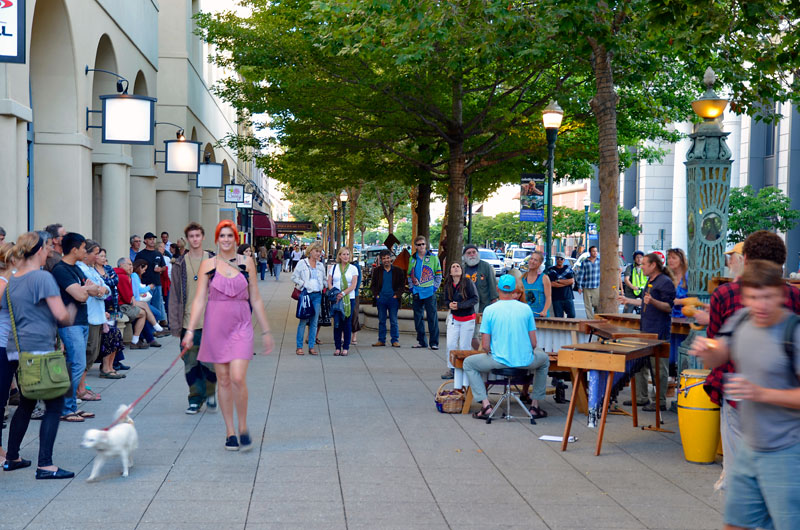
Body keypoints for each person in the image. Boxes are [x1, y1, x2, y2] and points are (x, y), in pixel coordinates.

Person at [690, 260, 800, 530]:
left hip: (788, 450)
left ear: (781, 294)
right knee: (735, 524)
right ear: (744, 296)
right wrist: (708, 351)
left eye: (768, 297)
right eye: (753, 297)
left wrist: (760, 393)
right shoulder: (740, 320)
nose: (760, 305)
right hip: (750, 448)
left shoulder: (793, 332)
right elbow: (719, 355)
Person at [182, 220, 273, 451]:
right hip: (215, 326)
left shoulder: (247, 263)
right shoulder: (208, 265)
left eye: (229, 236)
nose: (226, 240)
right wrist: (191, 330)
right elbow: (200, 299)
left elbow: (256, 298)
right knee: (222, 379)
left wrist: (266, 330)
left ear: (236, 238)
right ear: (216, 239)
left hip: (241, 324)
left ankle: (243, 427)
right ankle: (230, 431)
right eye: (222, 236)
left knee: (238, 378)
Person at [0, 233, 77, 479]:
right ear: (39, 250)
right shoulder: (43, 277)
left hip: (20, 351)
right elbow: (61, 316)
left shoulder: (14, 280)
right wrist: (72, 310)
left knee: (26, 402)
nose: (50, 252)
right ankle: (46, 465)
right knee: (55, 405)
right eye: (47, 248)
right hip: (43, 350)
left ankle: (12, 457)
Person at [463, 274, 550, 420]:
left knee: (468, 363)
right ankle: (535, 405)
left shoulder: (490, 310)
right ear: (514, 290)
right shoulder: (526, 309)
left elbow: (485, 345)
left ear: (498, 289)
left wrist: (493, 350)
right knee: (545, 360)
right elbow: (534, 343)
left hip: (499, 360)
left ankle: (485, 405)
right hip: (525, 361)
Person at [51, 233, 102, 423]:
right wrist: (88, 289)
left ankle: (71, 406)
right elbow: (82, 295)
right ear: (74, 249)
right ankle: (65, 408)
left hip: (81, 321)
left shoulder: (77, 269)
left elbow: (98, 290)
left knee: (77, 364)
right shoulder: (61, 270)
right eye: (82, 248)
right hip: (70, 323)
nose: (85, 251)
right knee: (76, 364)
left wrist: (87, 289)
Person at [169, 222, 218, 414]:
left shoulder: (215, 261)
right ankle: (195, 399)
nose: (195, 239)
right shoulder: (179, 264)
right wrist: (174, 323)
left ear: (203, 237)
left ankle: (210, 391)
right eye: (191, 236)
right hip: (188, 321)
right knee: (190, 363)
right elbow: (173, 295)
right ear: (187, 239)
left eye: (198, 235)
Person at [617, 252, 676, 411]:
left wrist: (654, 301)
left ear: (653, 265)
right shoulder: (650, 281)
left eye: (644, 264)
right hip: (645, 329)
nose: (641, 267)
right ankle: (641, 397)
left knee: (658, 367)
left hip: (659, 331)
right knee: (639, 364)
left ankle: (659, 401)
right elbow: (644, 301)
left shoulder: (665, 282)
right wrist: (628, 300)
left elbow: (669, 307)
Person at [75, 240, 111, 397]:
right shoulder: (80, 269)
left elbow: (105, 287)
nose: (97, 256)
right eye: (95, 253)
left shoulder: (92, 270)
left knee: (93, 352)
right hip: (88, 315)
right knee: (87, 352)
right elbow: (94, 290)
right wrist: (99, 290)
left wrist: (101, 290)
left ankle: (82, 384)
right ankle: (79, 388)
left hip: (97, 316)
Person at [443, 262, 479, 390]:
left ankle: (464, 367)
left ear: (462, 270)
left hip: (467, 318)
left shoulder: (468, 283)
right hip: (454, 318)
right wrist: (449, 305)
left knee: (464, 345)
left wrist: (460, 305)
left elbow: (475, 299)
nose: (456, 268)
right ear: (450, 272)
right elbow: (445, 300)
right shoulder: (448, 285)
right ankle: (452, 368)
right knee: (451, 344)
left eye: (458, 266)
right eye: (453, 267)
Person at [291, 242, 326, 355]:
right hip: (306, 294)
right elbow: (294, 277)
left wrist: (324, 286)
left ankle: (311, 346)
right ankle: (299, 347)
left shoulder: (320, 265)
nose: (318, 254)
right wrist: (304, 284)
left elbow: (324, 279)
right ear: (310, 251)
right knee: (303, 320)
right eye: (316, 251)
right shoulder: (302, 263)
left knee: (314, 322)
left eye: (320, 252)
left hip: (317, 295)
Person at [407, 235, 442, 350]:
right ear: (415, 246)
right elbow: (409, 275)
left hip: (429, 291)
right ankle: (421, 341)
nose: (421, 246)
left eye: (423, 244)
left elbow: (438, 274)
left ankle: (434, 342)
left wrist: (434, 288)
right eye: (419, 244)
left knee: (432, 317)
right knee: (418, 318)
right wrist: (412, 288)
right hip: (417, 291)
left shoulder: (433, 258)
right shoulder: (412, 259)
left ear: (426, 245)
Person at [462, 244, 498, 350]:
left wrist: (494, 302)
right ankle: (482, 354)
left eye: (474, 252)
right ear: (464, 256)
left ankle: (488, 354)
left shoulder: (485, 266)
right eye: (469, 253)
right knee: (472, 335)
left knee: (485, 333)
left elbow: (492, 284)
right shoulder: (463, 268)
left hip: (484, 306)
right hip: (468, 307)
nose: (472, 255)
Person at [371, 250, 405, 348]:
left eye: (388, 258)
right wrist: (377, 295)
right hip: (381, 299)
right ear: (381, 260)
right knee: (382, 320)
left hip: (393, 299)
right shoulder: (377, 271)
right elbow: (373, 285)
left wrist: (396, 295)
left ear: (391, 258)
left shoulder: (398, 271)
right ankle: (381, 340)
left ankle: (395, 340)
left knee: (393, 320)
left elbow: (402, 286)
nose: (386, 260)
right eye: (384, 258)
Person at [328, 246, 359, 356]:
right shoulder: (334, 268)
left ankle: (345, 347)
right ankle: (337, 347)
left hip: (348, 299)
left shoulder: (353, 268)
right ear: (339, 256)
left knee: (347, 323)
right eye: (344, 254)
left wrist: (343, 293)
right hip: (336, 299)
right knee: (337, 323)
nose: (346, 256)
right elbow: (329, 282)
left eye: (348, 254)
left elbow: (354, 285)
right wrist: (335, 293)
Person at [135, 232, 167, 328]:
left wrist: (160, 269)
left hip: (157, 283)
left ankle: (155, 327)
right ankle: (148, 328)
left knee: (157, 306)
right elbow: (135, 268)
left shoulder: (158, 253)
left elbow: (164, 266)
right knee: (147, 307)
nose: (152, 240)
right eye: (150, 239)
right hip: (145, 284)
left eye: (153, 239)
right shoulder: (141, 254)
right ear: (145, 241)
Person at [522, 251, 552, 318]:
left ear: (540, 263)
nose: (532, 261)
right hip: (526, 316)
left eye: (535, 260)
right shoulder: (522, 278)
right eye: (531, 259)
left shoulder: (544, 278)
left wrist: (544, 311)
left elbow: (548, 297)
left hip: (540, 317)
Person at [546, 252, 576, 318]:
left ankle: (569, 328)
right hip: (556, 298)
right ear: (555, 260)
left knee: (572, 315)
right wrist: (566, 283)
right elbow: (552, 284)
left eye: (561, 259)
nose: (559, 260)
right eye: (558, 258)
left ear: (564, 260)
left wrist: (558, 280)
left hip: (568, 296)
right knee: (559, 317)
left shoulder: (568, 269)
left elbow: (571, 281)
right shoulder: (551, 270)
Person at [576, 246, 600, 319]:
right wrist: (579, 286)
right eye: (593, 251)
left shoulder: (600, 261)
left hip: (596, 286)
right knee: (587, 305)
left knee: (596, 304)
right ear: (590, 252)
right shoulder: (585, 262)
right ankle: (590, 320)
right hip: (586, 286)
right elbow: (581, 274)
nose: (595, 253)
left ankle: (596, 318)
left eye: (596, 251)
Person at [350, 258, 362, 345]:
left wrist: (354, 290)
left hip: (354, 293)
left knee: (354, 314)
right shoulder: (339, 266)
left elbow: (359, 280)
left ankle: (354, 334)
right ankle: (343, 334)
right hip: (343, 293)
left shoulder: (355, 266)